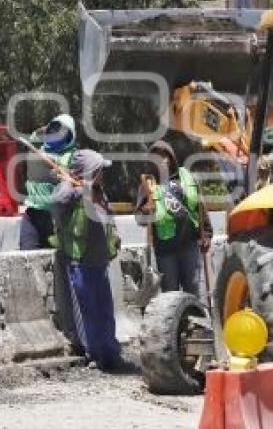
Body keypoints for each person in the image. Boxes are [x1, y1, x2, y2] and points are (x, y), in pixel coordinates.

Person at [50, 149, 122, 371]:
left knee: (105, 310)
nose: (103, 174)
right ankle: (95, 353)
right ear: (90, 171)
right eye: (99, 170)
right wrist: (71, 184)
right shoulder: (73, 190)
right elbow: (56, 201)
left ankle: (111, 351)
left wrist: (116, 235)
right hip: (80, 262)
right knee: (88, 310)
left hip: (100, 261)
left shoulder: (100, 193)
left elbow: (108, 218)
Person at [137, 140, 211, 296]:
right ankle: (177, 322)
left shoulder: (186, 177)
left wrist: (207, 234)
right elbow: (139, 219)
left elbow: (200, 206)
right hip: (165, 252)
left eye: (164, 156)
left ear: (171, 158)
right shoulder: (147, 184)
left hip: (190, 246)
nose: (161, 160)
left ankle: (196, 320)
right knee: (171, 296)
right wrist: (145, 210)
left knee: (193, 291)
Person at [20, 114, 77, 251]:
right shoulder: (39, 148)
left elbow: (64, 171)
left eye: (61, 132)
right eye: (53, 131)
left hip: (57, 216)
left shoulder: (71, 154)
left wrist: (54, 165)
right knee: (27, 252)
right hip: (33, 212)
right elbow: (34, 136)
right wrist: (50, 126)